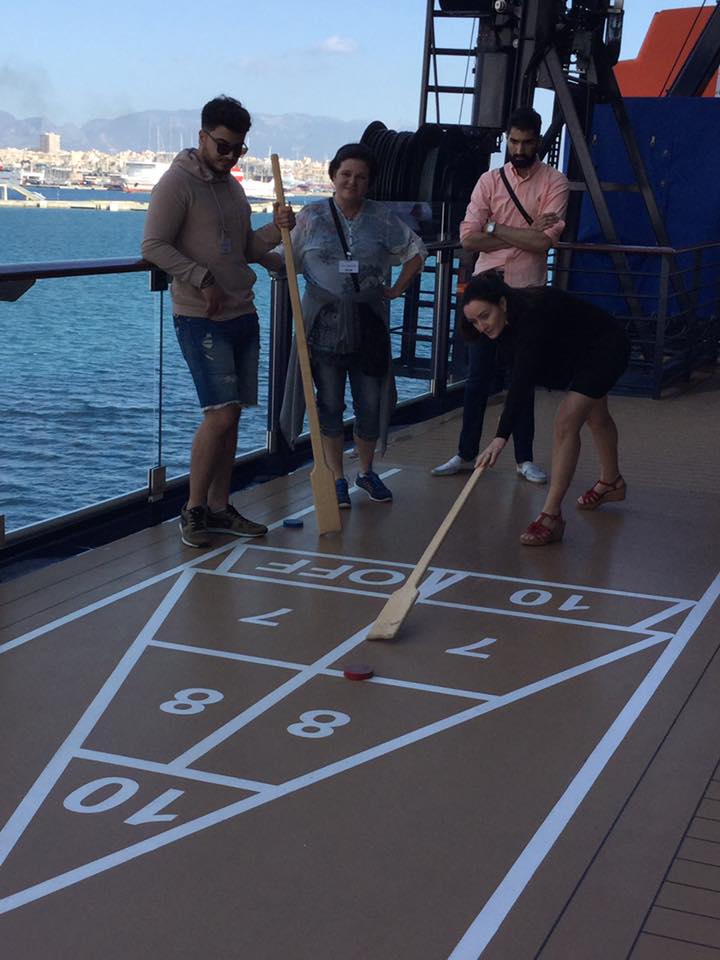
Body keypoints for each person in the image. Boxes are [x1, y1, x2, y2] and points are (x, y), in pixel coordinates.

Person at [141, 94, 295, 548]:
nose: (230, 156)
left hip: (241, 311)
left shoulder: (232, 186)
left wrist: (277, 231)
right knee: (220, 414)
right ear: (203, 136)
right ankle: (192, 510)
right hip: (199, 316)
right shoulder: (175, 184)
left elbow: (243, 247)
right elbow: (153, 245)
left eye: (238, 149)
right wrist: (200, 277)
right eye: (223, 146)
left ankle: (220, 507)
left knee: (233, 417)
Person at [277, 143, 426, 508]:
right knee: (328, 402)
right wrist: (273, 231)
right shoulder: (310, 217)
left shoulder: (382, 218)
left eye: (360, 177)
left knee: (370, 401)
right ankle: (336, 476)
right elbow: (283, 261)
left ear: (369, 182)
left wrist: (396, 289)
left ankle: (366, 471)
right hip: (323, 324)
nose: (352, 182)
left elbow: (417, 251)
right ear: (332, 176)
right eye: (346, 174)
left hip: (368, 322)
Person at [432, 106, 569, 483]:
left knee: (522, 378)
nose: (519, 148)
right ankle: (464, 453)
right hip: (486, 292)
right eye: (514, 141)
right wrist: (517, 231)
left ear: (537, 141)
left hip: (528, 295)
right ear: (507, 139)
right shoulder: (489, 181)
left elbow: (543, 243)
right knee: (477, 378)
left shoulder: (555, 182)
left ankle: (524, 458)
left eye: (526, 142)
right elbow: (468, 237)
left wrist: (495, 227)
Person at [461, 273, 630, 546]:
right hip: (577, 353)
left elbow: (522, 380)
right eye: (474, 321)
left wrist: (499, 437)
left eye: (485, 316)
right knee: (596, 417)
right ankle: (611, 482)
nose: (481, 326)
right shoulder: (504, 326)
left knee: (566, 421)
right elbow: (520, 376)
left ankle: (551, 516)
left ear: (502, 303)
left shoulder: (531, 317)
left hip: (606, 347)